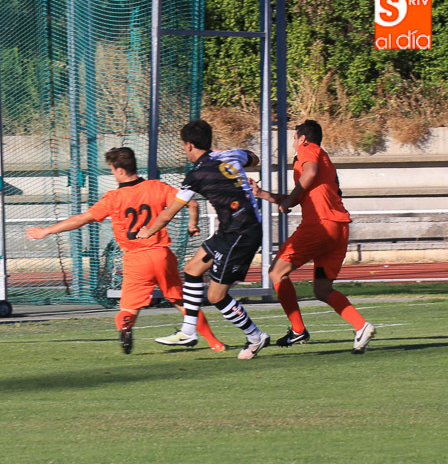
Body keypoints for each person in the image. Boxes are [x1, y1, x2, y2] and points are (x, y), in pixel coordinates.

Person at [26, 147, 226, 354]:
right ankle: (215, 343)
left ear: (120, 170)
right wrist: (192, 225)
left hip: (136, 259)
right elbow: (192, 203)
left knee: (128, 309)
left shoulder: (113, 198)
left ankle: (126, 327)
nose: (113, 174)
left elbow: (82, 219)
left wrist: (47, 230)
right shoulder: (156, 187)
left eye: (112, 170)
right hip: (161, 254)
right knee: (184, 303)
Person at [136, 119, 269, 360]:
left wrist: (148, 231)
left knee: (216, 296)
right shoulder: (230, 154)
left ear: (188, 145)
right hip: (230, 230)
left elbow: (168, 213)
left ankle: (255, 336)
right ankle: (188, 331)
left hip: (241, 234)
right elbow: (254, 158)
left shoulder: (196, 175)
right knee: (192, 269)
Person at [250, 119, 375, 354]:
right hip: (338, 229)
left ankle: (298, 330)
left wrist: (288, 200)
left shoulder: (307, 149)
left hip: (320, 226)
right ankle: (362, 326)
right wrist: (262, 194)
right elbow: (299, 195)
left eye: (294, 138)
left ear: (302, 138)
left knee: (276, 272)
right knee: (322, 289)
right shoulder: (321, 158)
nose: (293, 144)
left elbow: (309, 174)